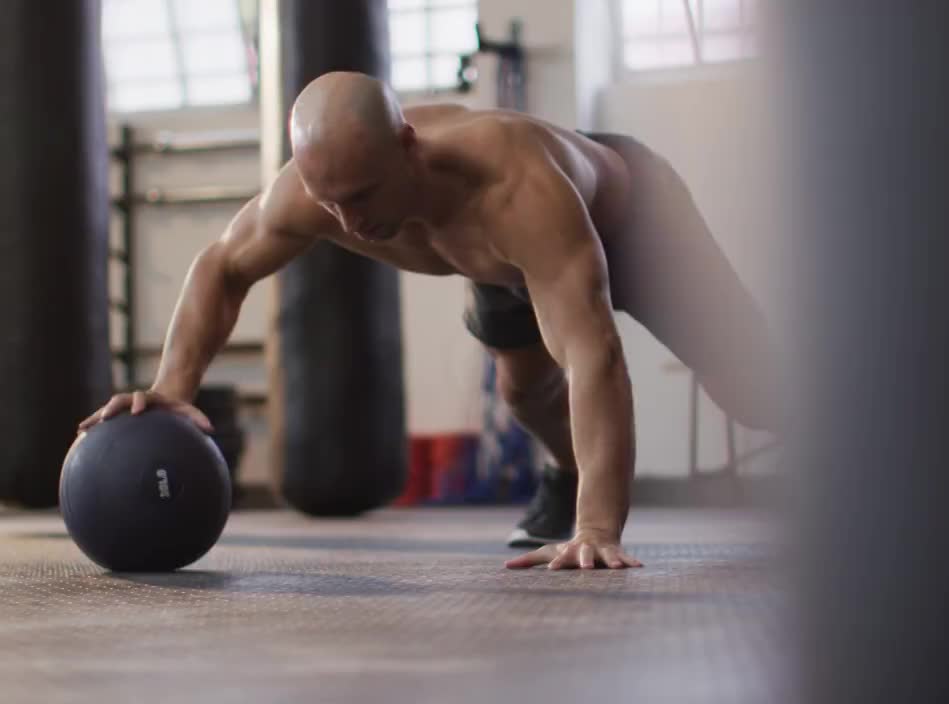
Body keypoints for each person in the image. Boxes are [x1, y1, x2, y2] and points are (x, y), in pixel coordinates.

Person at [79, 72, 778, 571]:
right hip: (501, 261)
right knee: (522, 394)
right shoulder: (316, 194)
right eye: (332, 203)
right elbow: (222, 265)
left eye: (362, 195)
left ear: (408, 146)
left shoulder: (515, 188)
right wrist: (173, 387)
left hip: (632, 222)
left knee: (754, 394)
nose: (352, 223)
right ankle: (565, 478)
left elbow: (594, 354)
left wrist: (600, 530)